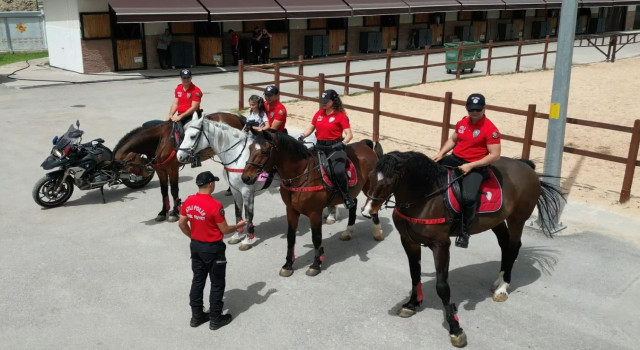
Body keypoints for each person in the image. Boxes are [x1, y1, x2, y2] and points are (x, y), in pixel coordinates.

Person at [178, 171, 247, 330]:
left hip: (196, 246)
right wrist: (238, 225)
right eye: (214, 182)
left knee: (198, 280)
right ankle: (216, 318)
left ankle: (196, 316)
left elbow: (182, 223)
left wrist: (193, 236)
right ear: (210, 184)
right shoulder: (215, 205)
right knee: (217, 283)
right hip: (213, 249)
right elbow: (225, 230)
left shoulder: (189, 201)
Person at [433, 93, 501, 249]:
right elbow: (453, 139)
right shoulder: (463, 122)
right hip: (456, 158)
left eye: (478, 109)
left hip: (476, 165)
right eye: (471, 109)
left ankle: (464, 232)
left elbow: (495, 155)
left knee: (468, 197)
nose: (474, 113)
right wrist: (441, 153)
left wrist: (471, 166)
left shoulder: (491, 130)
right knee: (430, 171)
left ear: (484, 108)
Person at [298, 89, 355, 209]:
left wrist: (343, 143)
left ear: (333, 101)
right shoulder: (319, 113)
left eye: (326, 101)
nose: (323, 103)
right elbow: (310, 128)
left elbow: (349, 134)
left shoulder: (340, 115)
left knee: (338, 171)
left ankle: (346, 196)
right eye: (322, 101)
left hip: (334, 148)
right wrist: (302, 136)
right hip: (319, 146)